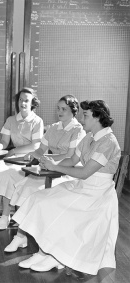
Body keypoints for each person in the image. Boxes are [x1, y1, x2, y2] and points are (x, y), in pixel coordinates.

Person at [12, 100, 120, 276]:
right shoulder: (89, 137)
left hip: (97, 194)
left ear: (98, 117)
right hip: (83, 187)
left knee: (57, 205)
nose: (82, 118)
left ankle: (56, 256)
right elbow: (71, 161)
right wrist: (50, 163)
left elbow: (85, 172)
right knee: (40, 198)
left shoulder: (109, 142)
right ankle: (44, 252)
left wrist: (55, 167)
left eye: (86, 115)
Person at [5, 94, 86, 252]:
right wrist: (29, 156)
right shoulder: (54, 128)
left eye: (64, 109)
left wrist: (46, 158)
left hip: (69, 173)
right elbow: (40, 150)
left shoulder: (78, 130)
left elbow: (70, 156)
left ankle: (37, 240)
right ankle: (21, 237)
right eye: (58, 108)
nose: (59, 112)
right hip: (49, 170)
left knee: (39, 193)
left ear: (73, 111)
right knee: (26, 187)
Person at [0, 88, 44, 231]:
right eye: (20, 100)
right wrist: (0, 146)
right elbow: (4, 142)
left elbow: (36, 145)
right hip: (12, 158)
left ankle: (5, 216)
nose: (23, 103)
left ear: (32, 103)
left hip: (29, 160)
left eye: (26, 100)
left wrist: (13, 151)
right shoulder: (11, 120)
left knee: (5, 176)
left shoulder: (37, 121)